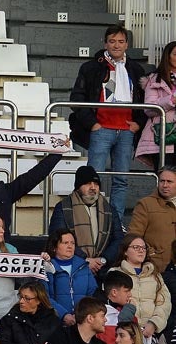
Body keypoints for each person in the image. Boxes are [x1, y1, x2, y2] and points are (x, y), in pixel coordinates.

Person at [69, 25, 148, 222]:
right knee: (92, 178)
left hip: (126, 131)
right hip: (101, 130)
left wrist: (137, 123)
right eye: (112, 41)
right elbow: (76, 98)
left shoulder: (136, 69)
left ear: (127, 44)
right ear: (105, 43)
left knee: (120, 180)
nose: (116, 45)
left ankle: (116, 224)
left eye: (121, 41)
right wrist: (93, 123)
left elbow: (146, 101)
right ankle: (90, 221)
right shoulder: (91, 66)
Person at [48, 166, 123, 273]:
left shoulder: (109, 210)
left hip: (103, 269)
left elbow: (119, 239)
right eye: (88, 183)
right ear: (78, 187)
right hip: (73, 270)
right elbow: (57, 237)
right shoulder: (63, 208)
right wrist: (84, 260)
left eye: (96, 184)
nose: (93, 187)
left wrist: (103, 260)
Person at [113, 233, 172, 344]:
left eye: (143, 248)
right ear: (125, 251)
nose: (141, 251)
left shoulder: (155, 275)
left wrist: (154, 323)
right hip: (126, 333)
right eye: (136, 247)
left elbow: (164, 302)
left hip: (153, 334)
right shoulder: (115, 273)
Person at [127, 166, 176, 272]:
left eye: (169, 182)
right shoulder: (146, 204)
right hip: (156, 268)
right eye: (162, 181)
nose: (165, 185)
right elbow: (133, 236)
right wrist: (150, 253)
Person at [45, 229, 98, 326]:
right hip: (56, 323)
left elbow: (92, 294)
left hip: (83, 322)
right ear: (54, 247)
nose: (70, 246)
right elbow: (45, 297)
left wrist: (83, 315)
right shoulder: (47, 268)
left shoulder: (84, 266)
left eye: (72, 243)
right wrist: (64, 315)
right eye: (65, 243)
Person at [137, 41, 176, 170]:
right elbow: (149, 109)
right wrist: (171, 100)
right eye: (175, 54)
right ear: (167, 57)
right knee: (166, 178)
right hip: (165, 136)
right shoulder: (155, 79)